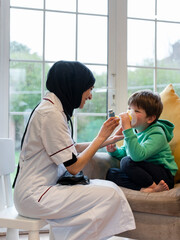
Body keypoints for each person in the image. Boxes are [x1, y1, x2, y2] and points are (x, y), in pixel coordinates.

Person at [13, 61, 135, 240]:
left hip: (41, 191)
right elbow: (74, 166)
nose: (91, 96)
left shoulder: (53, 109)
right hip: (35, 196)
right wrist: (101, 137)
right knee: (110, 195)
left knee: (111, 190)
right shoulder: (50, 115)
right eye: (89, 89)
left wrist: (109, 139)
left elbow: (71, 149)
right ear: (75, 86)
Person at [106, 90, 178, 193]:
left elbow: (136, 156)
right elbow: (127, 152)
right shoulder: (134, 131)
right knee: (111, 173)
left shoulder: (157, 134)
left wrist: (127, 129)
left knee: (126, 162)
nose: (130, 113)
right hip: (144, 174)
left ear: (150, 119)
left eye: (136, 111)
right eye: (129, 108)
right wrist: (114, 151)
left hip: (163, 176)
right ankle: (147, 189)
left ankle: (153, 186)